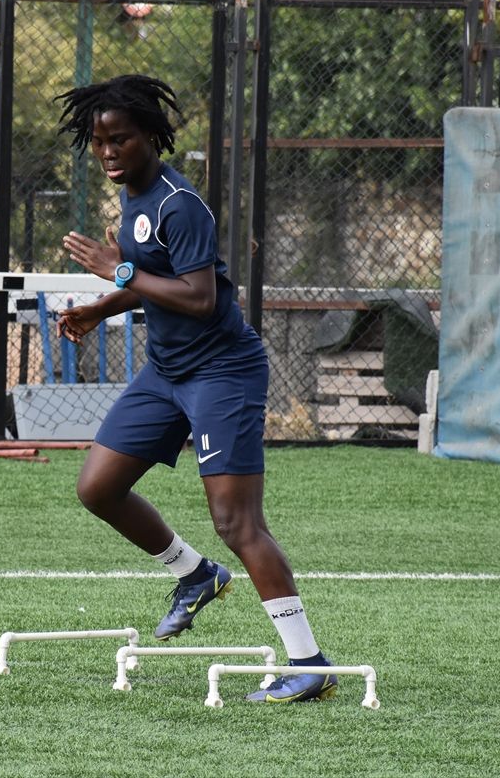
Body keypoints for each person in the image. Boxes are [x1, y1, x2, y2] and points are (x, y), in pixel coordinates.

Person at [54, 74, 336, 704]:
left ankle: (308, 662)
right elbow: (153, 279)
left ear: (153, 137)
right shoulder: (132, 198)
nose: (107, 152)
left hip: (222, 373)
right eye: (98, 142)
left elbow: (201, 298)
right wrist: (100, 307)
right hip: (168, 371)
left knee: (237, 521)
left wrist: (117, 269)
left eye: (119, 139)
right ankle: (195, 574)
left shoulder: (179, 204)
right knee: (98, 487)